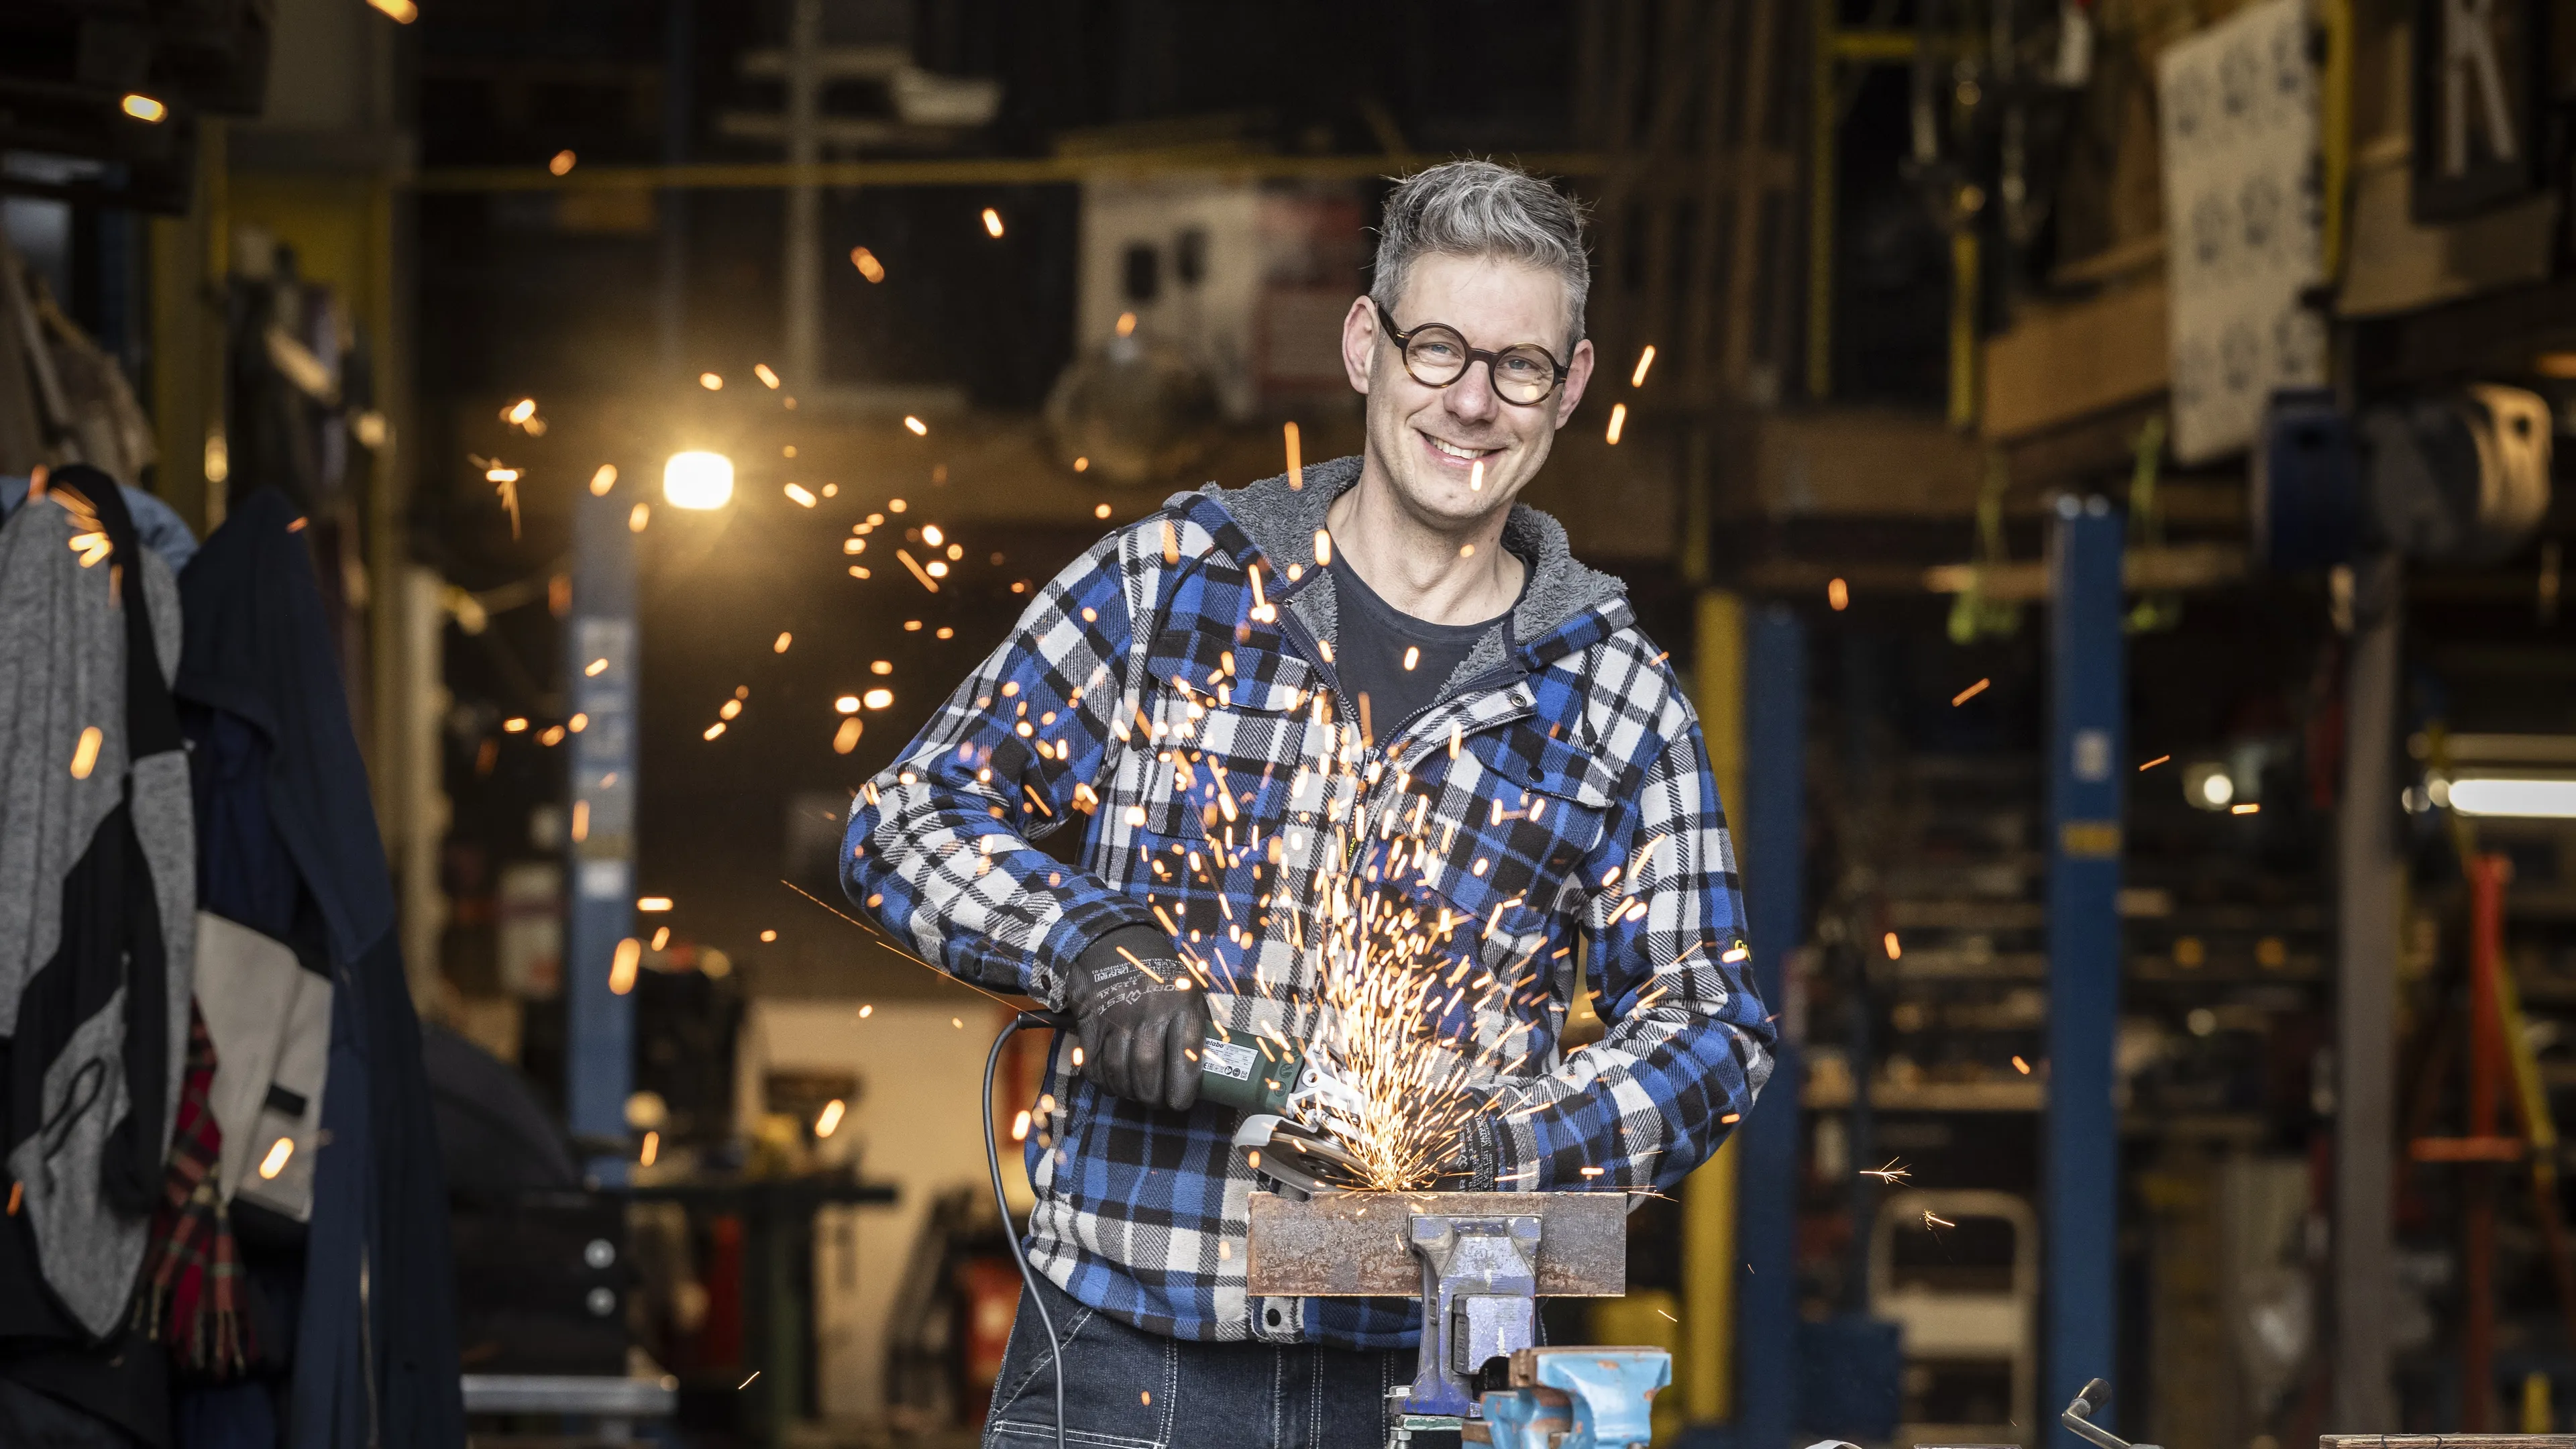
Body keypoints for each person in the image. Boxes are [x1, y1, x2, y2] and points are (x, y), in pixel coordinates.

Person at [843, 158, 1774, 1448]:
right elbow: (907, 818)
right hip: (1127, 1363)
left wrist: (1491, 1148)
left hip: (1436, 1376)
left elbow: (1713, 1027)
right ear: (1364, 344)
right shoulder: (1175, 584)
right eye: (1438, 348)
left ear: (1570, 388)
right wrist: (1092, 950)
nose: (1471, 401)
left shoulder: (1616, 695)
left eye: (1518, 367)